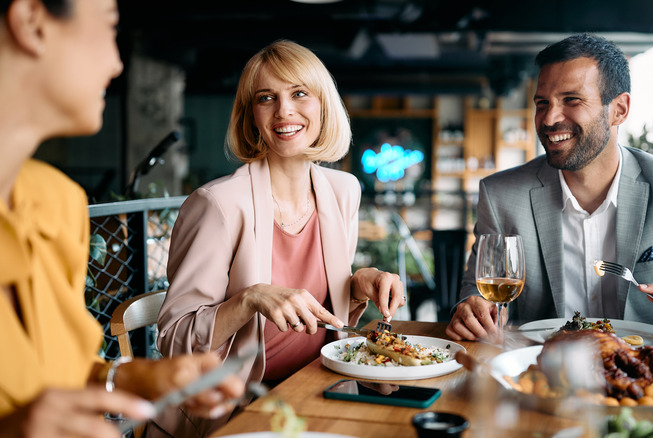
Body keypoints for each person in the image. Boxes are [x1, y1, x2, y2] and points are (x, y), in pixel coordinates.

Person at [0, 0, 244, 437]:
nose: (117, 64)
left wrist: (129, 378)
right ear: (32, 22)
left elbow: (56, 373)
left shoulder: (57, 204)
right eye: (110, 27)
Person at [153, 40, 405, 437]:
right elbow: (172, 342)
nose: (284, 110)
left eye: (299, 93)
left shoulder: (343, 190)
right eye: (266, 98)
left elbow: (324, 312)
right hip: (234, 410)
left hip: (319, 388)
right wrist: (250, 298)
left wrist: (360, 283)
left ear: (323, 104)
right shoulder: (218, 204)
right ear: (252, 115)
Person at [446, 33, 653, 344]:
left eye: (571, 100)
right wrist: (472, 311)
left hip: (649, 375)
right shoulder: (501, 195)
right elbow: (476, 292)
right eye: (542, 103)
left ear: (619, 109)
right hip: (540, 373)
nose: (549, 118)